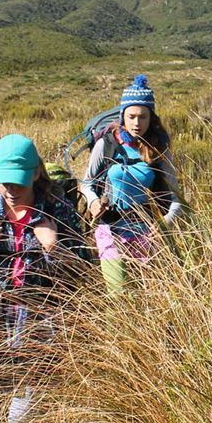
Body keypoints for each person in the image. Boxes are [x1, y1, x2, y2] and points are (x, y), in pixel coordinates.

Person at [0, 134, 89, 423]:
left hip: (40, 325)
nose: (9, 190)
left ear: (35, 174)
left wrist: (53, 248)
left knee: (25, 404)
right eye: (2, 182)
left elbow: (82, 272)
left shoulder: (58, 210)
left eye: (17, 182)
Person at [81, 74, 183, 293]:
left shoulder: (159, 149)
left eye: (143, 117)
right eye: (132, 116)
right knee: (118, 293)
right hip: (109, 227)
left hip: (146, 230)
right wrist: (93, 202)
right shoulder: (105, 145)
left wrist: (165, 222)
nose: (137, 123)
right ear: (122, 116)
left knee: (148, 294)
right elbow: (87, 183)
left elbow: (176, 198)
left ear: (152, 118)